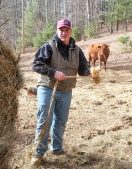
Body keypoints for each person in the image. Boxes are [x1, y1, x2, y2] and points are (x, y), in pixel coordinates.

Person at [30, 18, 90, 166]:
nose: (64, 32)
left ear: (70, 31)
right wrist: (52, 72)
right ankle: (38, 153)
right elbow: (36, 64)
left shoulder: (77, 50)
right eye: (61, 30)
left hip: (66, 90)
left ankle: (56, 148)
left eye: (67, 30)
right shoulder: (49, 46)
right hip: (48, 88)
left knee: (61, 121)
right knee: (45, 120)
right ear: (57, 31)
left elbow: (83, 69)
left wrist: (91, 72)